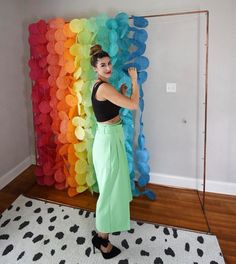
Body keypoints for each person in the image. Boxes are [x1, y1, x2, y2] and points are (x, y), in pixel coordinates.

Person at [90, 44, 139, 259]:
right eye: (103, 65)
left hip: (110, 137)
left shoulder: (102, 85)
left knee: (112, 187)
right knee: (109, 191)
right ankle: (102, 241)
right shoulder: (103, 87)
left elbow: (107, 110)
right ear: (95, 68)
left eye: (109, 63)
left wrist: (119, 95)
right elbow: (134, 105)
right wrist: (135, 82)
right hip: (108, 142)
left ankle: (102, 233)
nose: (108, 67)